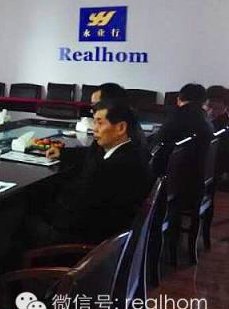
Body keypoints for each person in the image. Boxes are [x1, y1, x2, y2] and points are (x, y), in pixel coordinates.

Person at [27, 98, 153, 246]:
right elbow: (89, 153)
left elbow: (76, 214)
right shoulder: (132, 151)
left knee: (23, 216)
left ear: (121, 128)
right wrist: (63, 153)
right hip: (106, 233)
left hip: (87, 243)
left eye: (100, 123)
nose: (94, 129)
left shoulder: (113, 167)